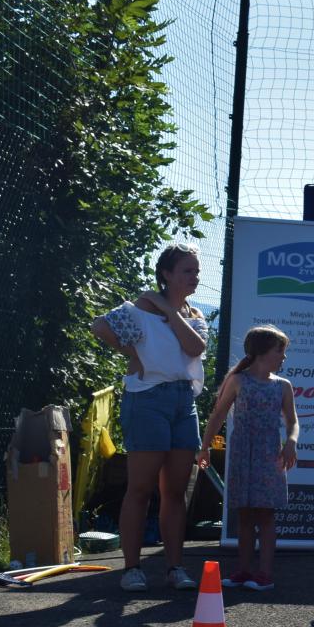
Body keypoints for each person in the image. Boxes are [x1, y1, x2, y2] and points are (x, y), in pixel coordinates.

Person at [91, 242, 211, 593]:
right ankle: (132, 569)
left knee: (175, 491)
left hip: (183, 402)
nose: (195, 277)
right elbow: (100, 325)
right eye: (187, 270)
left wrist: (168, 309)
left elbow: (196, 348)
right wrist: (134, 355)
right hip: (147, 400)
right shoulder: (142, 307)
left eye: (196, 271)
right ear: (167, 274)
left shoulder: (193, 314)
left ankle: (175, 568)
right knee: (140, 488)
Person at [195, 326, 299, 592]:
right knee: (244, 514)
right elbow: (218, 415)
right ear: (263, 351)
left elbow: (292, 421)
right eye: (280, 351)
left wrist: (291, 442)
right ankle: (242, 571)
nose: (284, 357)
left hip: (269, 454)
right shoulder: (238, 380)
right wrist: (204, 447)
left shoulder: (283, 386)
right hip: (243, 453)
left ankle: (264, 574)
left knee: (265, 514)